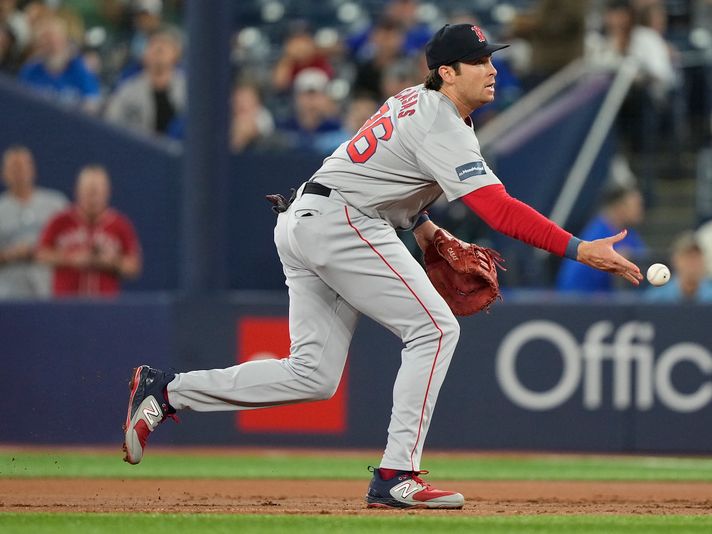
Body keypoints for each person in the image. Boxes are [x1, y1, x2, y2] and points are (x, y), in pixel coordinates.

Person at [122, 24, 641, 509]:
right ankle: (396, 476)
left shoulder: (420, 105)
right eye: (477, 61)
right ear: (446, 72)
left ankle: (167, 391)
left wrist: (427, 231)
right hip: (341, 222)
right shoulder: (441, 120)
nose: (491, 69)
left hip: (306, 219)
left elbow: (394, 178)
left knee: (313, 375)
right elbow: (498, 210)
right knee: (435, 330)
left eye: (491, 59)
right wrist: (579, 248)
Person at [37, 164, 141, 297]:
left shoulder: (120, 224)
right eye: (88, 191)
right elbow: (41, 254)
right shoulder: (60, 221)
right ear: (77, 190)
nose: (92, 197)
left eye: (97, 192)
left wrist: (110, 262)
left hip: (105, 305)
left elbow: (134, 266)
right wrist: (71, 259)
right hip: (65, 304)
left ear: (107, 191)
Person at [0, 145, 67, 299]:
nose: (19, 173)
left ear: (33, 169)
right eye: (14, 168)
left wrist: (42, 253)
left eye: (23, 166)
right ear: (4, 173)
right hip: (7, 298)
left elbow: (74, 247)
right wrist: (12, 254)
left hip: (49, 293)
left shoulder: (56, 204)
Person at [556, 185, 646, 293]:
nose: (640, 210)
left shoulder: (628, 233)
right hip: (579, 299)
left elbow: (643, 260)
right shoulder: (597, 233)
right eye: (636, 205)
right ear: (620, 207)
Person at [104, 26, 185, 136]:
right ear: (144, 54)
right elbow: (110, 124)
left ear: (176, 54)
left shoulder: (188, 89)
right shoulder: (128, 89)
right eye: (153, 45)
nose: (158, 49)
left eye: (164, 46)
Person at [18, 14, 100, 113]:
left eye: (50, 37)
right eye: (42, 37)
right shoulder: (31, 69)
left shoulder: (81, 69)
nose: (46, 42)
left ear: (64, 39)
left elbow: (92, 105)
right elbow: (19, 101)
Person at [644, 231, 712, 302]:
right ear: (675, 260)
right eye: (687, 257)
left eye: (696, 257)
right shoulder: (657, 297)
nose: (692, 263)